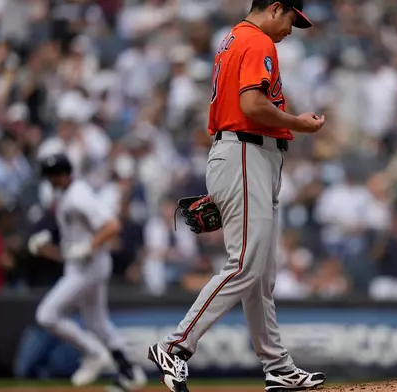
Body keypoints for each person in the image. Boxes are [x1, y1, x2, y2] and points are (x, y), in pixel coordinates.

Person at [147, 1, 326, 392]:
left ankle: (277, 366)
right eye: (291, 20)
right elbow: (251, 104)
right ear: (275, 8)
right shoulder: (257, 40)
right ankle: (175, 346)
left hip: (245, 154)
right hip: (246, 153)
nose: (291, 30)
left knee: (260, 274)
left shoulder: (232, 39)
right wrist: (298, 123)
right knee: (245, 264)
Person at [32, 154, 146, 391]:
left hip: (88, 267)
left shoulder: (77, 194)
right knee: (98, 323)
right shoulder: (66, 193)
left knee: (46, 314)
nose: (49, 182)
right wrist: (50, 240)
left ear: (62, 175)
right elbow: (74, 231)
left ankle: (94, 353)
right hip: (84, 266)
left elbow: (113, 225)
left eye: (52, 177)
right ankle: (130, 372)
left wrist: (90, 246)